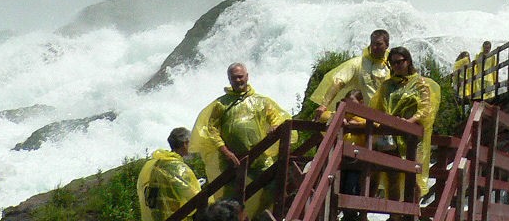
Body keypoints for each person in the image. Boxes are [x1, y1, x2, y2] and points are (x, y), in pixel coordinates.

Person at [190, 62, 290, 217]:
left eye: (240, 77)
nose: (237, 80)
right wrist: (225, 151)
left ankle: (259, 216)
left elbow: (276, 118)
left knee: (275, 185)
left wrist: (275, 126)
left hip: (259, 157)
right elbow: (212, 129)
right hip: (232, 159)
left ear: (247, 77)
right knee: (230, 200)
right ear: (229, 79)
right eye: (234, 78)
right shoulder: (221, 104)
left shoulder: (261, 101)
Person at [371, 47, 440, 201]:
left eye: (399, 62)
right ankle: (395, 216)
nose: (396, 66)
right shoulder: (387, 85)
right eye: (392, 63)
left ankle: (412, 212)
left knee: (412, 175)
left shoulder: (420, 84)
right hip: (390, 135)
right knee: (392, 175)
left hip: (411, 136)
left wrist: (409, 122)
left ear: (408, 61)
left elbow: (425, 108)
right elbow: (379, 108)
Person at [308, 29, 392, 119]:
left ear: (387, 45)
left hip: (387, 115)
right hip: (363, 115)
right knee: (325, 117)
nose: (374, 47)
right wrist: (324, 105)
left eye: (378, 44)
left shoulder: (393, 64)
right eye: (372, 43)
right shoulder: (358, 63)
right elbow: (338, 82)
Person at [136, 127, 201, 221]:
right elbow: (193, 196)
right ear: (185, 143)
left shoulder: (157, 162)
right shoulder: (178, 167)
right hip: (174, 215)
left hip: (156, 215)